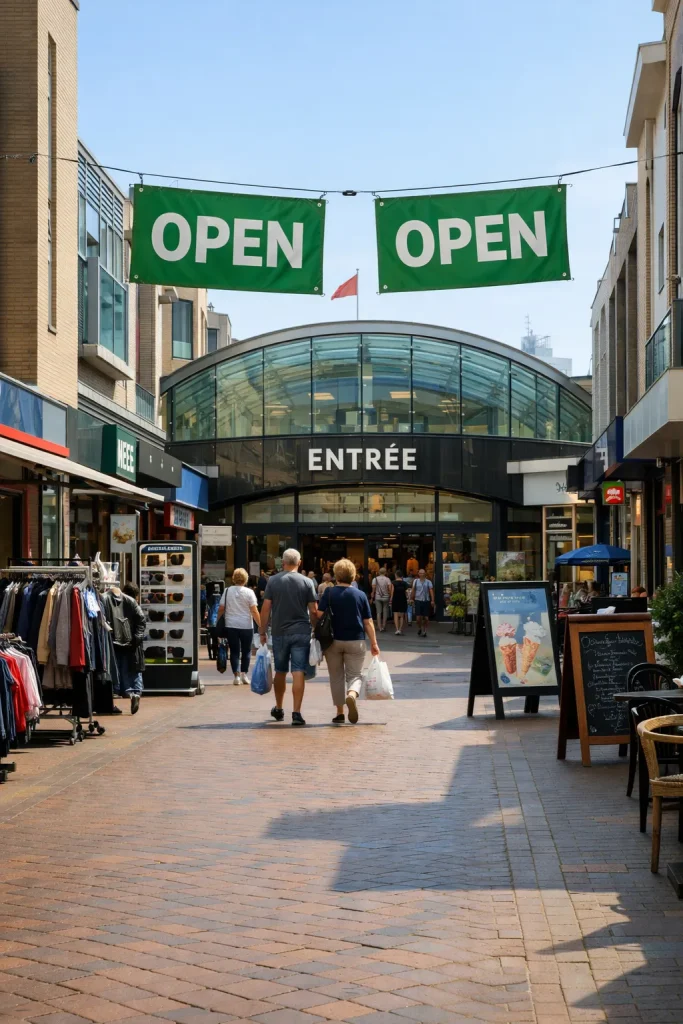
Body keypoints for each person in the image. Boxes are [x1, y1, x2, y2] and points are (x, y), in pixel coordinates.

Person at [317, 559, 380, 725]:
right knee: (355, 675)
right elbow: (368, 622)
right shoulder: (360, 595)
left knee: (336, 676)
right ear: (353, 576)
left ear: (336, 575)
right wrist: (374, 643)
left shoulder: (329, 593)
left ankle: (339, 712)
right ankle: (352, 694)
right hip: (356, 640)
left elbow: (319, 614)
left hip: (333, 640)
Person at [259, 548, 318, 726]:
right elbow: (314, 610)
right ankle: (297, 713)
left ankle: (278, 707)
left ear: (283, 563)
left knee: (281, 670)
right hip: (301, 631)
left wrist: (262, 631)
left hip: (279, 632)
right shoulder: (307, 582)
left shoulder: (273, 581)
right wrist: (314, 629)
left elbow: (266, 608)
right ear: (299, 563)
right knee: (298, 670)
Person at [103, 582, 146, 715]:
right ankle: (134, 694)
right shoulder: (132, 602)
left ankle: (121, 694)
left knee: (116, 672)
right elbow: (141, 621)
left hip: (114, 642)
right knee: (133, 671)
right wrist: (136, 639)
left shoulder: (104, 599)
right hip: (131, 643)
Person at [218, 569, 261, 685]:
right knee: (246, 651)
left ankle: (236, 676)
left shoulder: (227, 591)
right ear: (246, 579)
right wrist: (260, 624)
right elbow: (254, 610)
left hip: (230, 624)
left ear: (233, 578)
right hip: (246, 625)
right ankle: (244, 674)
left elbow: (221, 608)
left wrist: (217, 621)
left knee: (234, 651)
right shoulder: (249, 592)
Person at [411, 568, 435, 637]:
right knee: (418, 618)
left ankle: (425, 630)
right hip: (418, 600)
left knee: (426, 618)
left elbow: (431, 591)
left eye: (423, 573)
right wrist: (411, 598)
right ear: (418, 574)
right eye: (420, 573)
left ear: (425, 574)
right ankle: (419, 628)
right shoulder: (415, 581)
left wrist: (432, 600)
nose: (421, 574)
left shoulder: (428, 582)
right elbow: (413, 590)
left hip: (426, 600)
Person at [371, 567, 392, 632]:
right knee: (385, 612)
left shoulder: (375, 579)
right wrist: (390, 595)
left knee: (378, 612)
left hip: (378, 597)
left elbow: (373, 589)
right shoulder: (387, 579)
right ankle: (384, 626)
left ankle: (379, 627)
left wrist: (372, 595)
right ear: (385, 573)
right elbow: (390, 588)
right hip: (386, 597)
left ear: (379, 572)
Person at [390, 570, 409, 635]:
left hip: (395, 599)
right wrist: (408, 599)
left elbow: (392, 592)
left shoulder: (393, 583)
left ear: (396, 575)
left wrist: (391, 599)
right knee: (401, 615)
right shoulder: (405, 583)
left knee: (395, 614)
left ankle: (397, 629)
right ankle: (400, 629)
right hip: (403, 599)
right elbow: (407, 592)